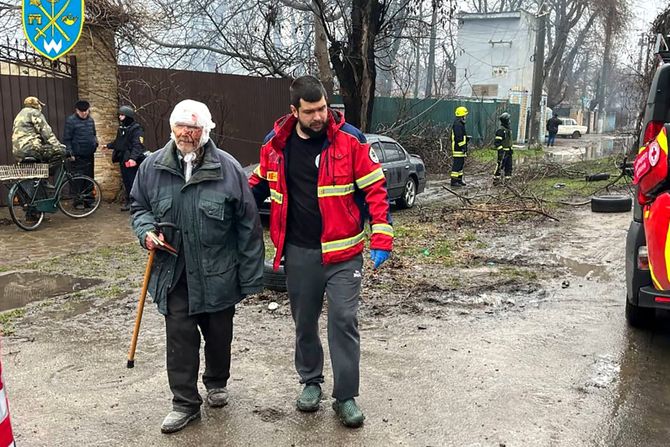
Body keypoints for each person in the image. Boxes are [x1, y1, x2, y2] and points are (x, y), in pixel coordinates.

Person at [249, 75, 393, 428]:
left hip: (344, 254)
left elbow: (376, 189)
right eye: (310, 111)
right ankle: (310, 382)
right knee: (304, 323)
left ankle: (345, 396)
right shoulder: (275, 145)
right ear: (294, 111)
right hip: (299, 252)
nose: (319, 117)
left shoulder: (351, 141)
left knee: (343, 320)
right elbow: (255, 186)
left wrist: (382, 236)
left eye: (323, 109)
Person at [130, 99, 265, 434]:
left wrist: (249, 278)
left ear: (206, 131)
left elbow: (248, 227)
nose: (186, 133)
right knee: (180, 339)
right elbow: (139, 206)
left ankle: (216, 382)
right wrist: (146, 231)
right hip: (174, 273)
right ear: (172, 127)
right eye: (181, 126)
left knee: (219, 335)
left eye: (194, 127)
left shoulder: (229, 169)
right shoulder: (152, 168)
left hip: (218, 274)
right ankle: (184, 403)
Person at [103, 106, 145, 211]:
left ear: (128, 116)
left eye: (122, 115)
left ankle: (135, 203)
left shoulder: (136, 129)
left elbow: (137, 145)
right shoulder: (122, 128)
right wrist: (108, 146)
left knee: (132, 181)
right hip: (123, 159)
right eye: (120, 115)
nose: (120, 117)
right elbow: (118, 142)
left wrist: (133, 158)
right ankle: (129, 201)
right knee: (126, 181)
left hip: (131, 160)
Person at [63, 100, 98, 209]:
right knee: (77, 179)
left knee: (89, 178)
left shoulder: (91, 121)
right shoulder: (71, 121)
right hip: (76, 156)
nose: (84, 113)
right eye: (81, 111)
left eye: (86, 111)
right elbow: (67, 139)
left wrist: (95, 143)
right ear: (77, 110)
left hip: (89, 154)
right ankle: (78, 201)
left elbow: (94, 134)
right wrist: (70, 153)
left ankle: (89, 200)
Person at [12, 96, 66, 163]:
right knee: (58, 151)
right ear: (36, 105)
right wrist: (58, 146)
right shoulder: (35, 113)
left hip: (18, 152)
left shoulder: (19, 115)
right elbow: (46, 133)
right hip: (31, 149)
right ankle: (52, 172)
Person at [450, 106, 469, 187]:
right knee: (457, 165)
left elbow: (462, 136)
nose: (465, 117)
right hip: (458, 148)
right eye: (464, 115)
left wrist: (466, 139)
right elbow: (458, 137)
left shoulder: (460, 123)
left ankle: (459, 180)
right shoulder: (458, 124)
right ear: (461, 115)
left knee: (460, 164)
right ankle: (454, 181)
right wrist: (463, 147)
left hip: (460, 148)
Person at [493, 112, 513, 184]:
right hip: (503, 152)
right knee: (500, 165)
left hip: (508, 152)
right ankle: (496, 179)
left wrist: (511, 149)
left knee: (509, 166)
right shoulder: (501, 131)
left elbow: (509, 142)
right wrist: (501, 150)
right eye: (509, 120)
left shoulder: (508, 130)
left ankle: (507, 180)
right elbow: (497, 142)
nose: (510, 121)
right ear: (506, 121)